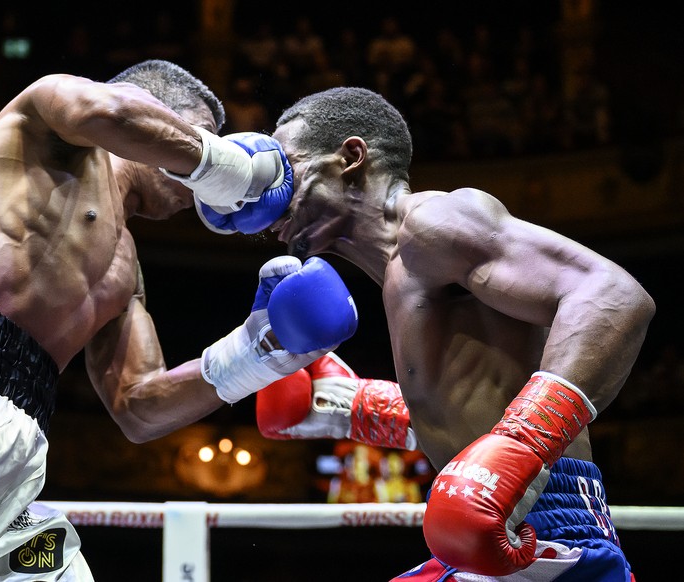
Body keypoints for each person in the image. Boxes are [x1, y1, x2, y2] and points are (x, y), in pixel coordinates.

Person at [0, 60, 358, 581]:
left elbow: (139, 408)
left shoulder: (125, 275)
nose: (198, 187)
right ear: (153, 105)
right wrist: (228, 165)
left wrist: (260, 351)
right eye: (199, 135)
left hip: (17, 432)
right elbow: (111, 115)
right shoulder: (49, 120)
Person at [256, 86, 655, 580]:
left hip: (545, 533)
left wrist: (522, 443)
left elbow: (613, 294)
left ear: (351, 157)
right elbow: (478, 395)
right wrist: (350, 405)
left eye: (285, 166)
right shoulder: (400, 273)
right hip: (480, 536)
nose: (267, 192)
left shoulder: (435, 223)